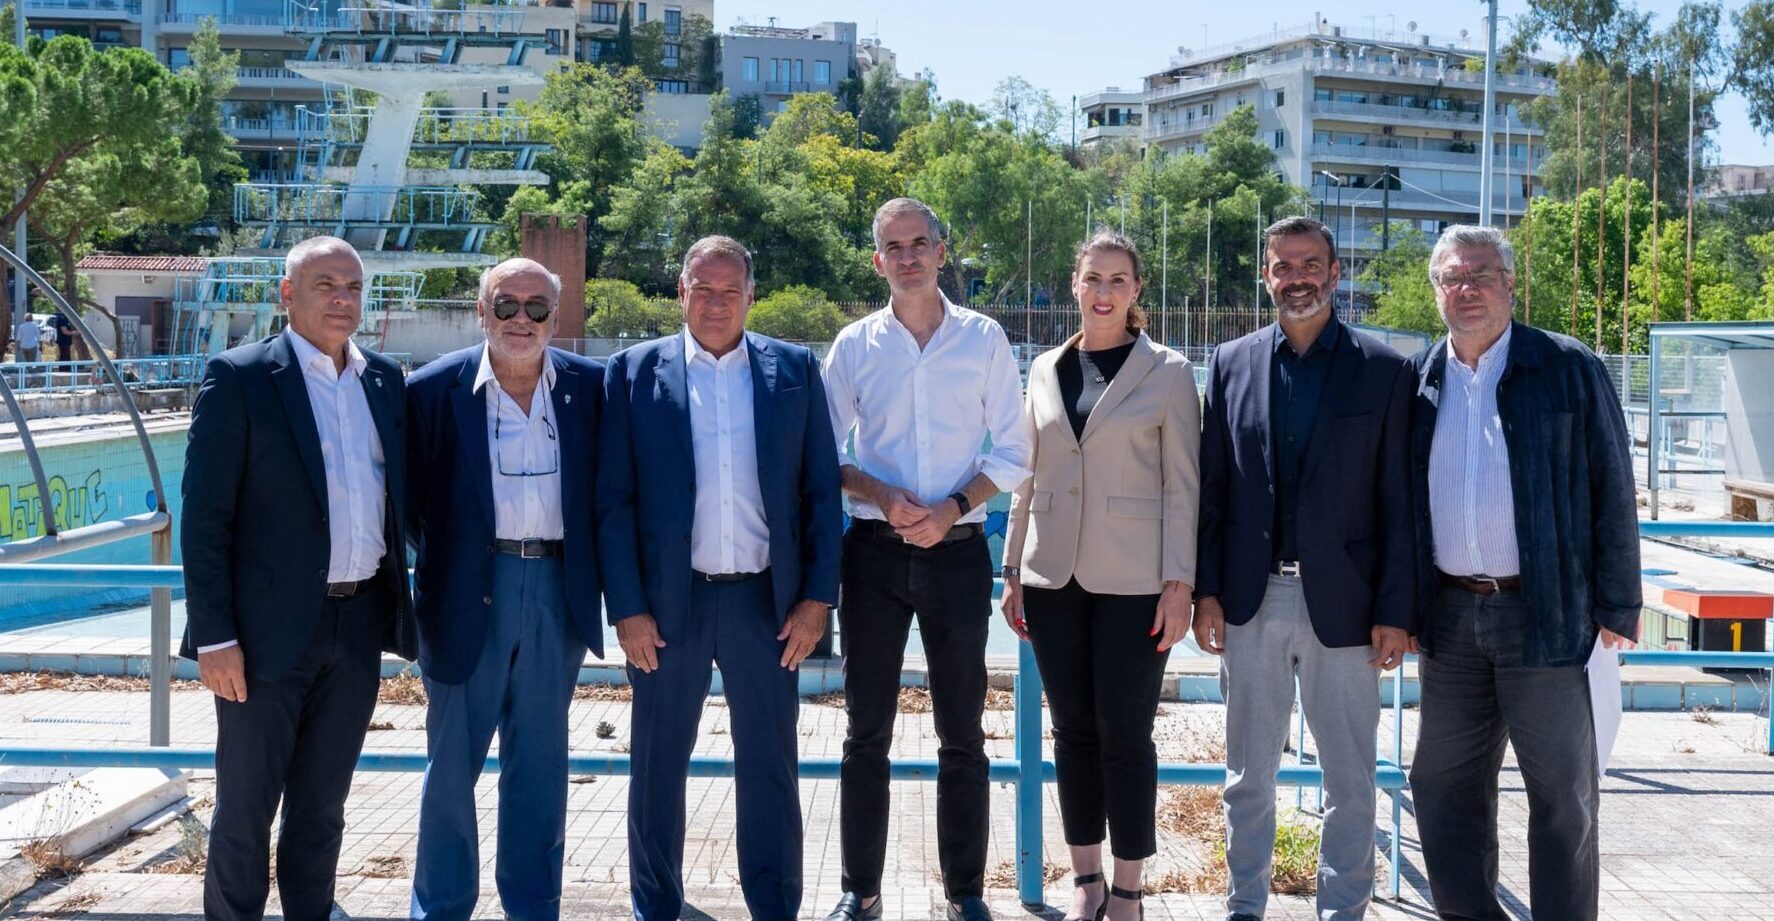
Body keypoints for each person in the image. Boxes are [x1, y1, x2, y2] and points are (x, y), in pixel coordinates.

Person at [597, 235, 843, 921]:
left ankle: (774, 903)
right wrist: (627, 608)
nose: (715, 303)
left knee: (770, 763)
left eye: (729, 291)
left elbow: (821, 492)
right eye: (702, 289)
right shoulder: (631, 373)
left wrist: (817, 599)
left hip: (766, 602)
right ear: (681, 291)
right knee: (655, 763)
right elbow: (613, 503)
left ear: (751, 296)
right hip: (666, 607)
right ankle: (656, 903)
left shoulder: (794, 369)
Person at [1406, 224, 1640, 921]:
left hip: (1548, 614)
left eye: (1481, 274)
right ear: (1436, 290)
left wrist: (1619, 603)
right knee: (1440, 785)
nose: (1466, 288)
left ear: (1510, 284)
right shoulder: (1419, 378)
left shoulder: (1567, 366)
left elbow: (1613, 485)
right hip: (1449, 617)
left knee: (1563, 796)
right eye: (1452, 277)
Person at [180, 235, 416, 921]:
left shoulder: (383, 381)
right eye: (325, 286)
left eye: (353, 287)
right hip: (263, 637)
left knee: (322, 809)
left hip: (357, 626)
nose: (342, 300)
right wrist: (215, 636)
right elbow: (205, 518)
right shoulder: (242, 377)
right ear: (288, 294)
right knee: (245, 809)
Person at [1193, 216, 1415, 921]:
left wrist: (1396, 610)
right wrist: (1206, 592)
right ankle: (1244, 906)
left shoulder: (1385, 370)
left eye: (1310, 264)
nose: (1297, 278)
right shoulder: (1230, 363)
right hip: (1250, 600)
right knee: (1246, 778)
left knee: (1350, 782)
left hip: (1347, 608)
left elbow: (1400, 502)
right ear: (1266, 276)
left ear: (1335, 272)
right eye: (1283, 266)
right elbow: (1213, 489)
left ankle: (1342, 910)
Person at [821, 198, 1033, 921]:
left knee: (963, 733)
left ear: (941, 252)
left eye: (920, 243)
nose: (908, 256)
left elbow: (1014, 451)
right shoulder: (854, 345)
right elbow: (822, 452)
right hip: (872, 556)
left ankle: (965, 893)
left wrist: (952, 507)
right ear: (877, 259)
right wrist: (879, 491)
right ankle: (860, 890)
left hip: (958, 553)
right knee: (864, 732)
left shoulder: (984, 339)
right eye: (894, 246)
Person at [999, 231, 1200, 921]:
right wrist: (1012, 568)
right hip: (1051, 577)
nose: (1104, 292)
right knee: (1072, 730)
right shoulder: (1044, 369)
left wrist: (1180, 583)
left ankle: (1130, 889)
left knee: (1125, 733)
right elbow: (1026, 476)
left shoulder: (1169, 372)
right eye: (1093, 278)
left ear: (1137, 288)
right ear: (1075, 284)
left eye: (1118, 280)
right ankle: (1086, 880)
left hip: (1135, 582)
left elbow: (1183, 486)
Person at [405, 258, 605, 921]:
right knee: (450, 767)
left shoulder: (591, 388)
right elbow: (407, 503)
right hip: (467, 592)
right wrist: (457, 560)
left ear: (556, 314)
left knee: (541, 765)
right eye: (506, 304)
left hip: (556, 589)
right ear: (481, 310)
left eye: (537, 307)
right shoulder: (433, 390)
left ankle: (533, 905)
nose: (522, 319)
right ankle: (441, 908)